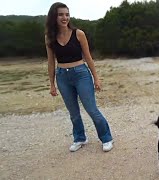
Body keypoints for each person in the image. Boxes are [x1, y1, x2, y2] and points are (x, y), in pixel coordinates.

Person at [45, 2, 113, 152]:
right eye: (61, 14)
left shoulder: (78, 34)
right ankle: (80, 138)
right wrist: (52, 84)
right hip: (62, 77)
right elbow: (51, 62)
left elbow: (88, 57)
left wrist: (96, 78)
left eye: (67, 14)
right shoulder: (49, 37)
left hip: (81, 74)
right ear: (54, 17)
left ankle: (106, 138)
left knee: (91, 109)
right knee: (73, 112)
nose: (65, 17)